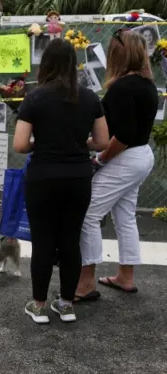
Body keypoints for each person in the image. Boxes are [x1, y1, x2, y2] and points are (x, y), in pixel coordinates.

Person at [13, 39, 109, 324]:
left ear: (46, 64)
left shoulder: (35, 98)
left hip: (43, 177)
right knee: (70, 240)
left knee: (43, 241)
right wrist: (78, 143)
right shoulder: (90, 97)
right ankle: (66, 304)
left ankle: (39, 305)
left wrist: (39, 145)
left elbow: (20, 145)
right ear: (73, 63)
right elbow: (102, 141)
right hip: (78, 177)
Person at [75, 29, 159, 299]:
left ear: (118, 55)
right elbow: (122, 133)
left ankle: (86, 282)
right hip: (141, 155)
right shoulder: (147, 84)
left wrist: (99, 159)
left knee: (88, 213)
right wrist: (91, 143)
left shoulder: (121, 88)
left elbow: (121, 137)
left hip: (126, 158)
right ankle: (125, 276)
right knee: (124, 216)